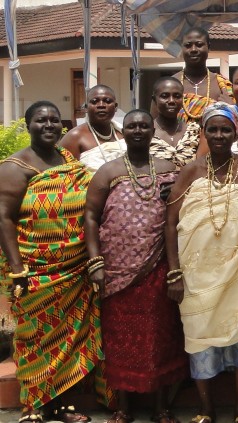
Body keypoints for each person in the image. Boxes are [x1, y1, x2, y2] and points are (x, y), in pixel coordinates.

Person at [165, 102, 238, 423]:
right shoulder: (191, 170)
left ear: (235, 132)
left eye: (225, 129)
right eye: (212, 129)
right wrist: (173, 271)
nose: (219, 135)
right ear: (203, 133)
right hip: (196, 273)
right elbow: (170, 221)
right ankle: (206, 409)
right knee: (198, 333)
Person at [0, 101, 104, 423]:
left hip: (73, 267)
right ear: (28, 125)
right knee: (34, 337)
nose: (48, 125)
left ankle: (63, 406)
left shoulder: (70, 161)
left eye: (54, 120)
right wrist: (18, 269)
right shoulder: (15, 168)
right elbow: (2, 218)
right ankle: (33, 406)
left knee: (71, 338)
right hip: (33, 270)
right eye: (40, 120)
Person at [84, 110, 188, 423]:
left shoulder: (170, 169)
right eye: (132, 126)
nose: (138, 130)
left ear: (152, 131)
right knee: (120, 340)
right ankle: (122, 408)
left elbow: (185, 209)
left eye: (144, 125)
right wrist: (95, 262)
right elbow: (90, 216)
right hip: (116, 274)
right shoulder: (108, 171)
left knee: (159, 336)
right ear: (124, 131)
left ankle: (161, 407)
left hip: (158, 267)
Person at [171, 27, 233, 124]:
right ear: (181, 48)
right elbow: (156, 124)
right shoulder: (170, 85)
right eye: (188, 45)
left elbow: (236, 123)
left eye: (199, 45)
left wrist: (231, 108)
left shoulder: (223, 86)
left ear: (208, 47)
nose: (193, 49)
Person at [60, 85, 125, 172]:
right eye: (94, 102)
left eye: (107, 101)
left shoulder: (124, 133)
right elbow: (65, 176)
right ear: (86, 107)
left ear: (116, 106)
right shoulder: (74, 137)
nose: (101, 105)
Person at [150, 76, 202, 168]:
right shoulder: (146, 132)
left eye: (177, 96)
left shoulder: (194, 131)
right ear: (154, 99)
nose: (171, 101)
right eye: (165, 96)